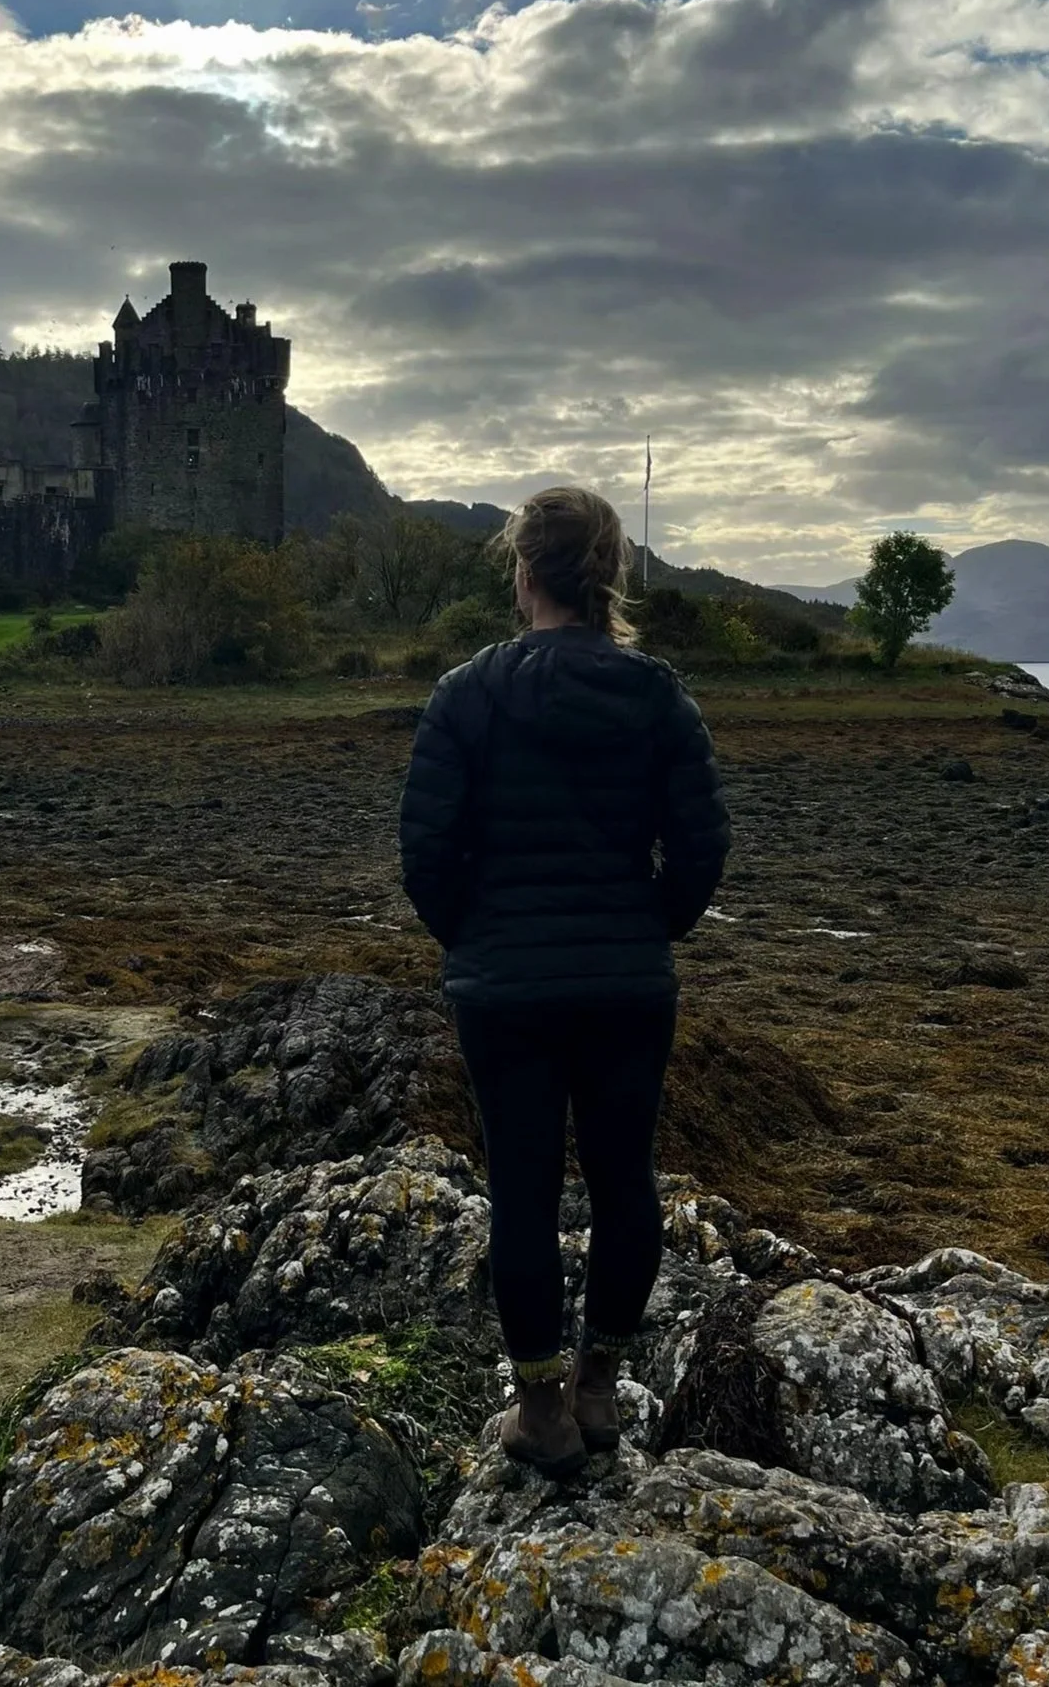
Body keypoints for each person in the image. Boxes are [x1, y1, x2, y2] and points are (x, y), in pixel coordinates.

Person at [398, 485, 730, 1477]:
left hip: (505, 993)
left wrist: (477, 938)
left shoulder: (465, 692)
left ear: (524, 573)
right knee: (627, 1182)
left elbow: (426, 851)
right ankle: (599, 1384)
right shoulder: (660, 694)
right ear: (608, 575)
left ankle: (540, 1406)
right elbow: (704, 843)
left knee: (524, 1190)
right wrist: (646, 927)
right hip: (628, 985)